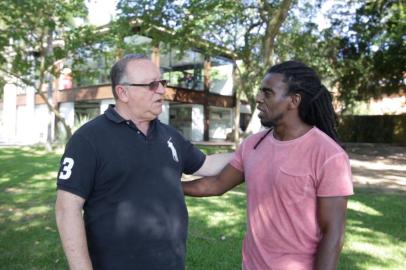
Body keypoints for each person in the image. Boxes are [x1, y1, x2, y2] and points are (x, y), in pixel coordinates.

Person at [55, 54, 232, 270]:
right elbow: (67, 208)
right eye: (151, 85)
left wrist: (255, 149)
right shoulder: (88, 139)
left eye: (161, 83)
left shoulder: (169, 135)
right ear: (123, 92)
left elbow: (208, 164)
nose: (161, 90)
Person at [183, 61, 354, 270]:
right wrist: (170, 185)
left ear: (294, 100)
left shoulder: (329, 155)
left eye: (267, 93)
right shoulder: (253, 144)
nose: (258, 98)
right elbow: (217, 184)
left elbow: (333, 234)